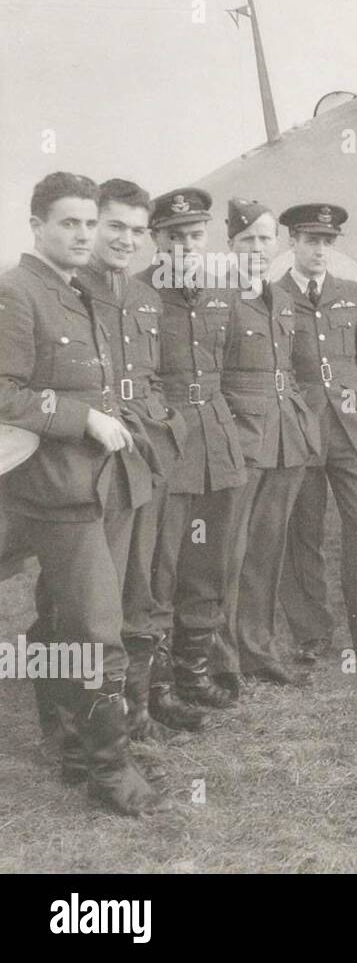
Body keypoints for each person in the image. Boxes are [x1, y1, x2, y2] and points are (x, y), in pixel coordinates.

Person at [0, 172, 162, 815]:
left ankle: (73, 746)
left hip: (100, 483)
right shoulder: (17, 292)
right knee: (96, 631)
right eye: (69, 222)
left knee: (73, 622)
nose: (83, 235)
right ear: (37, 224)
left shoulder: (72, 290)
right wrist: (82, 419)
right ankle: (110, 769)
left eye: (90, 223)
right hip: (57, 489)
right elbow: (2, 391)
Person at [81, 179, 194, 737]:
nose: (127, 240)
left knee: (145, 582)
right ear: (92, 224)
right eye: (115, 227)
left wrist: (165, 425)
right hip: (93, 462)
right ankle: (77, 725)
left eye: (137, 231)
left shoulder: (147, 298)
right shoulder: (70, 290)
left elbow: (152, 377)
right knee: (82, 596)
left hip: (146, 456)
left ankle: (139, 704)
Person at [140, 186, 247, 714]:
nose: (185, 246)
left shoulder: (223, 293)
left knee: (208, 564)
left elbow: (229, 368)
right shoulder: (137, 296)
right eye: (174, 237)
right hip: (169, 448)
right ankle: (156, 688)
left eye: (194, 235)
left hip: (217, 445)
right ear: (155, 240)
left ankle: (194, 673)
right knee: (162, 571)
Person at [277, 203, 357, 666]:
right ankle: (311, 632)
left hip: (352, 429)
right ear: (293, 242)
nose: (320, 250)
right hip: (304, 428)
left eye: (328, 242)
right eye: (312, 241)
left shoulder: (350, 292)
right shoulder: (275, 296)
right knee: (302, 531)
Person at [211, 199, 319, 691]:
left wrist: (300, 419)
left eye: (265, 238)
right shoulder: (220, 301)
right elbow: (211, 378)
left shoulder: (282, 299)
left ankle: (258, 648)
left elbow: (290, 369)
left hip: (283, 442)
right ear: (230, 244)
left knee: (266, 552)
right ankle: (221, 658)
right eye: (247, 239)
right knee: (226, 554)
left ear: (278, 242)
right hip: (241, 441)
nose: (258, 247)